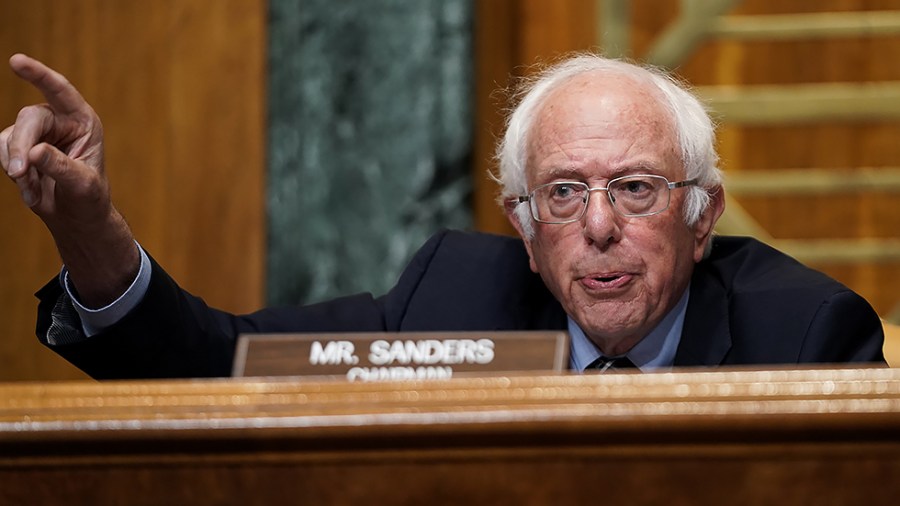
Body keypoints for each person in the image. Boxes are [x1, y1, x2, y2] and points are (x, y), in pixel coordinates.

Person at [1, 53, 885, 379]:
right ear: (525, 232)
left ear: (703, 216)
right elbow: (216, 364)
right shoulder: (454, 295)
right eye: (565, 194)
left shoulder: (806, 335)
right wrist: (93, 235)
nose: (600, 227)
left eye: (637, 188)